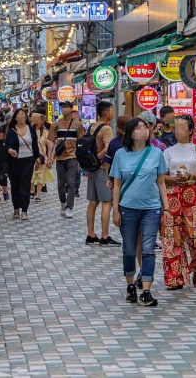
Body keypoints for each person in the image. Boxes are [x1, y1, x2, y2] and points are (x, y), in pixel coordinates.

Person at [110, 117, 169, 307]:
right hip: (127, 208)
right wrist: (115, 210)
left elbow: (161, 182)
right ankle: (130, 286)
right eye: (137, 128)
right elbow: (117, 184)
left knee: (148, 249)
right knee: (128, 249)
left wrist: (166, 206)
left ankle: (146, 290)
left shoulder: (156, 153)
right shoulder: (120, 154)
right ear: (130, 133)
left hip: (152, 208)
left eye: (145, 127)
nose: (142, 131)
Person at [161, 114, 196, 289]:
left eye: (181, 127)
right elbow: (161, 176)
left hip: (193, 197)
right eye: (176, 127)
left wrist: (192, 176)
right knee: (172, 239)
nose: (177, 130)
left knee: (195, 237)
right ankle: (175, 278)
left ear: (190, 130)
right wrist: (172, 179)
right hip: (172, 197)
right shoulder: (168, 151)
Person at [85, 101, 119, 247]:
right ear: (105, 112)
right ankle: (105, 237)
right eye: (111, 110)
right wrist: (98, 158)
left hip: (92, 169)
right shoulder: (107, 129)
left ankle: (91, 234)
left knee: (93, 202)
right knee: (106, 202)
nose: (113, 112)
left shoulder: (92, 126)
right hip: (102, 168)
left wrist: (92, 160)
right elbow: (108, 148)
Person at [5, 108, 42, 220]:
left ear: (26, 117)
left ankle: (24, 210)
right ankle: (16, 208)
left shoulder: (31, 129)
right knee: (15, 185)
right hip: (14, 161)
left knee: (25, 184)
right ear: (15, 117)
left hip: (28, 160)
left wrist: (37, 158)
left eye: (23, 115)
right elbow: (8, 145)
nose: (21, 117)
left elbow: (34, 145)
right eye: (19, 115)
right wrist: (10, 150)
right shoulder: (12, 130)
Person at [50, 101, 84, 218]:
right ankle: (63, 203)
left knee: (71, 182)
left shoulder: (78, 124)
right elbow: (51, 141)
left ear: (71, 109)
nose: (64, 109)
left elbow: (81, 143)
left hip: (72, 157)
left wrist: (80, 159)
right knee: (60, 184)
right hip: (60, 157)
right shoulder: (56, 124)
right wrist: (50, 157)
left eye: (66, 107)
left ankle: (69, 207)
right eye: (62, 107)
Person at [31, 111, 55, 202]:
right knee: (31, 176)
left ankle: (37, 195)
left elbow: (50, 146)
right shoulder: (29, 131)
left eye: (42, 120)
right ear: (35, 120)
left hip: (42, 158)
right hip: (31, 157)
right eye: (40, 119)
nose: (42, 121)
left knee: (41, 176)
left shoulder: (45, 132)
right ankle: (31, 191)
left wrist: (50, 158)